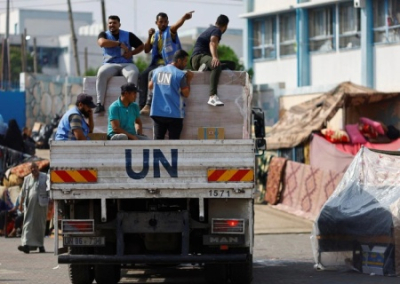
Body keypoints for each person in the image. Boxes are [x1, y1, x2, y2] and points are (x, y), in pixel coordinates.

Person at [139, 11, 194, 115]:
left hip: (169, 63)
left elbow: (176, 26)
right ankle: (142, 105)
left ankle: (149, 104)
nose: (163, 24)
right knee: (143, 75)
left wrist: (184, 17)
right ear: (156, 23)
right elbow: (146, 50)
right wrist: (149, 35)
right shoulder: (154, 35)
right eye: (161, 22)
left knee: (153, 74)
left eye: (165, 22)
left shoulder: (170, 31)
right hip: (156, 62)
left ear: (168, 22)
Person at [95, 15, 144, 114]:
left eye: (114, 23)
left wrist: (131, 53)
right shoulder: (104, 34)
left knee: (133, 73)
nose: (112, 25)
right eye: (110, 23)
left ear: (119, 24)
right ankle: (100, 104)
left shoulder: (128, 35)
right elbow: (101, 43)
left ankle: (131, 103)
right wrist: (118, 44)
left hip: (126, 63)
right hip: (110, 64)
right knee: (101, 73)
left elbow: (141, 46)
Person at [149, 49, 193, 140]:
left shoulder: (157, 71)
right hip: (174, 114)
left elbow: (150, 86)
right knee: (174, 143)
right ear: (179, 60)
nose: (185, 64)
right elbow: (186, 93)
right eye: (185, 61)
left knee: (158, 141)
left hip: (157, 112)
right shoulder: (180, 74)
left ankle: (158, 155)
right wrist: (189, 80)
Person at [190, 14, 230, 107]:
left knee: (220, 64)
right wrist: (215, 57)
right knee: (216, 65)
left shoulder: (210, 29)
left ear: (216, 22)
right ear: (225, 26)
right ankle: (212, 97)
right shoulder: (217, 30)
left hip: (195, 59)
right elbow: (212, 42)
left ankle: (205, 67)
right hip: (199, 57)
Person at [17, 162, 49, 253]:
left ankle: (40, 245)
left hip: (41, 205)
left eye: (35, 168)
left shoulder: (45, 177)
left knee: (40, 225)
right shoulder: (27, 179)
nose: (33, 170)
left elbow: (49, 189)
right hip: (29, 205)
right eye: (31, 168)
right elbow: (23, 193)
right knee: (28, 224)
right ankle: (26, 245)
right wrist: (20, 204)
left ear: (38, 168)